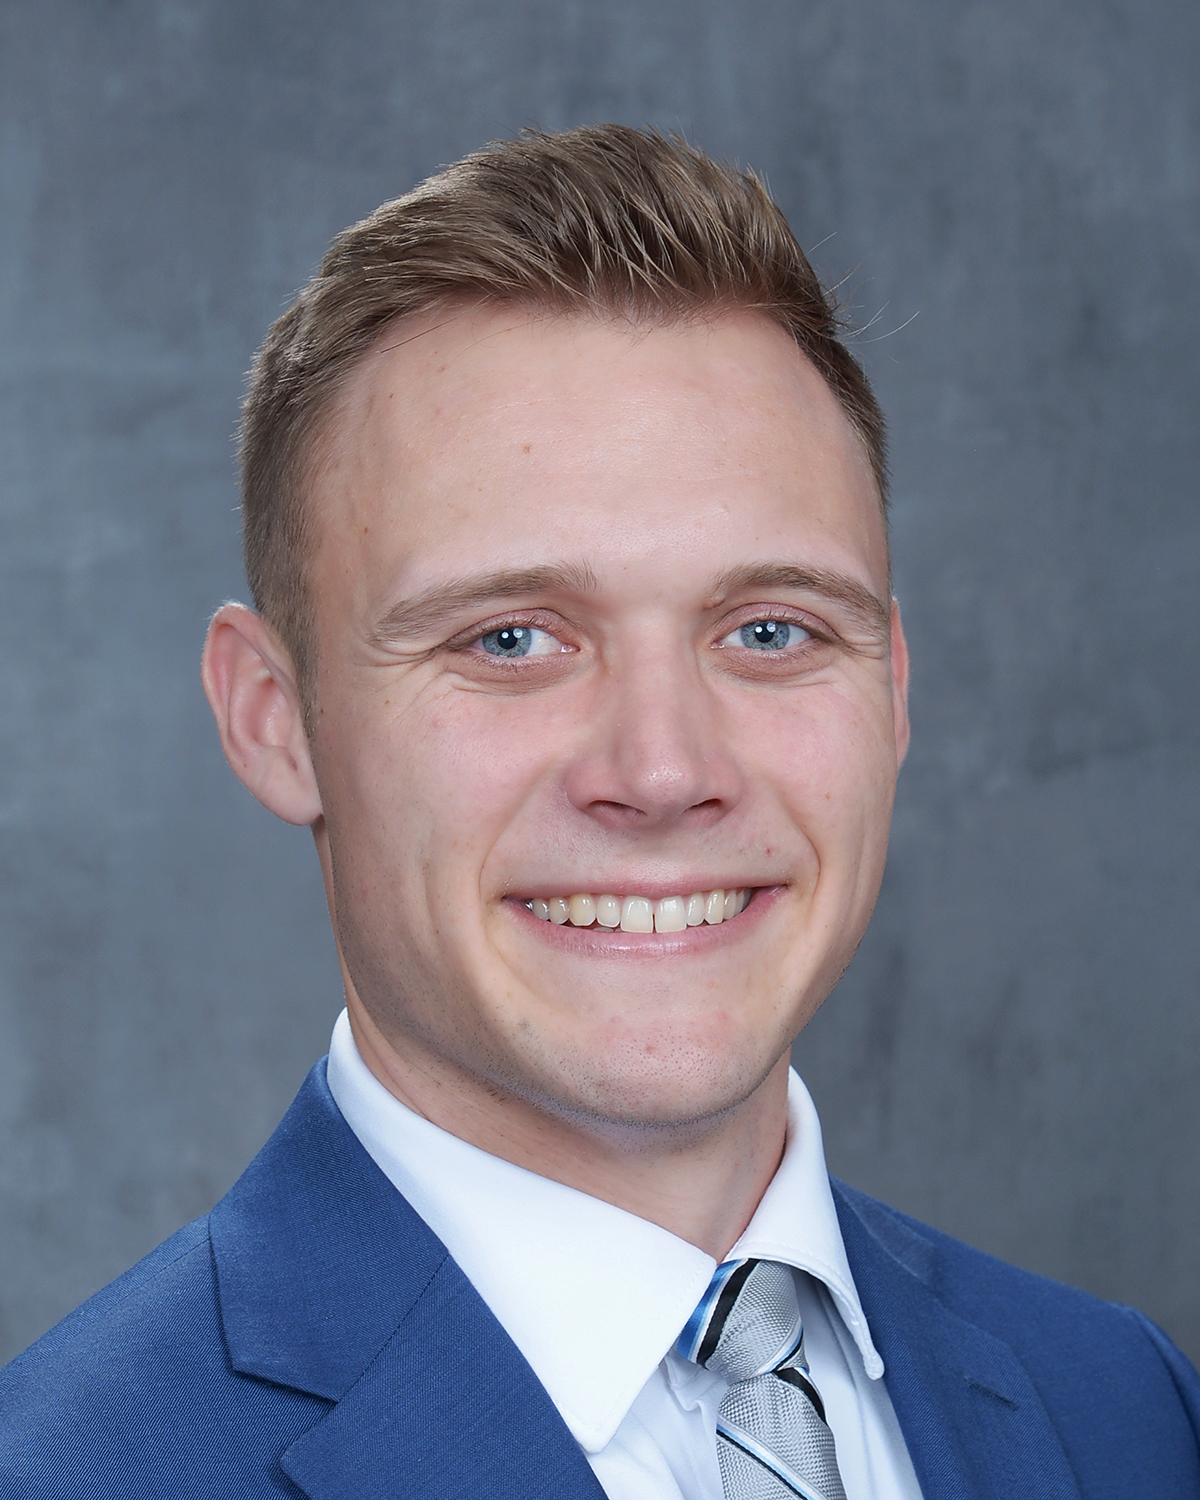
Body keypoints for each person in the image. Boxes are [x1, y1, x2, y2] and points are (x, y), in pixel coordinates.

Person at [1, 124, 1196, 1500]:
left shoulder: (1128, 1411)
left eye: (769, 630)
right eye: (511, 639)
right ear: (275, 718)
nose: (665, 769)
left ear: (892, 690)